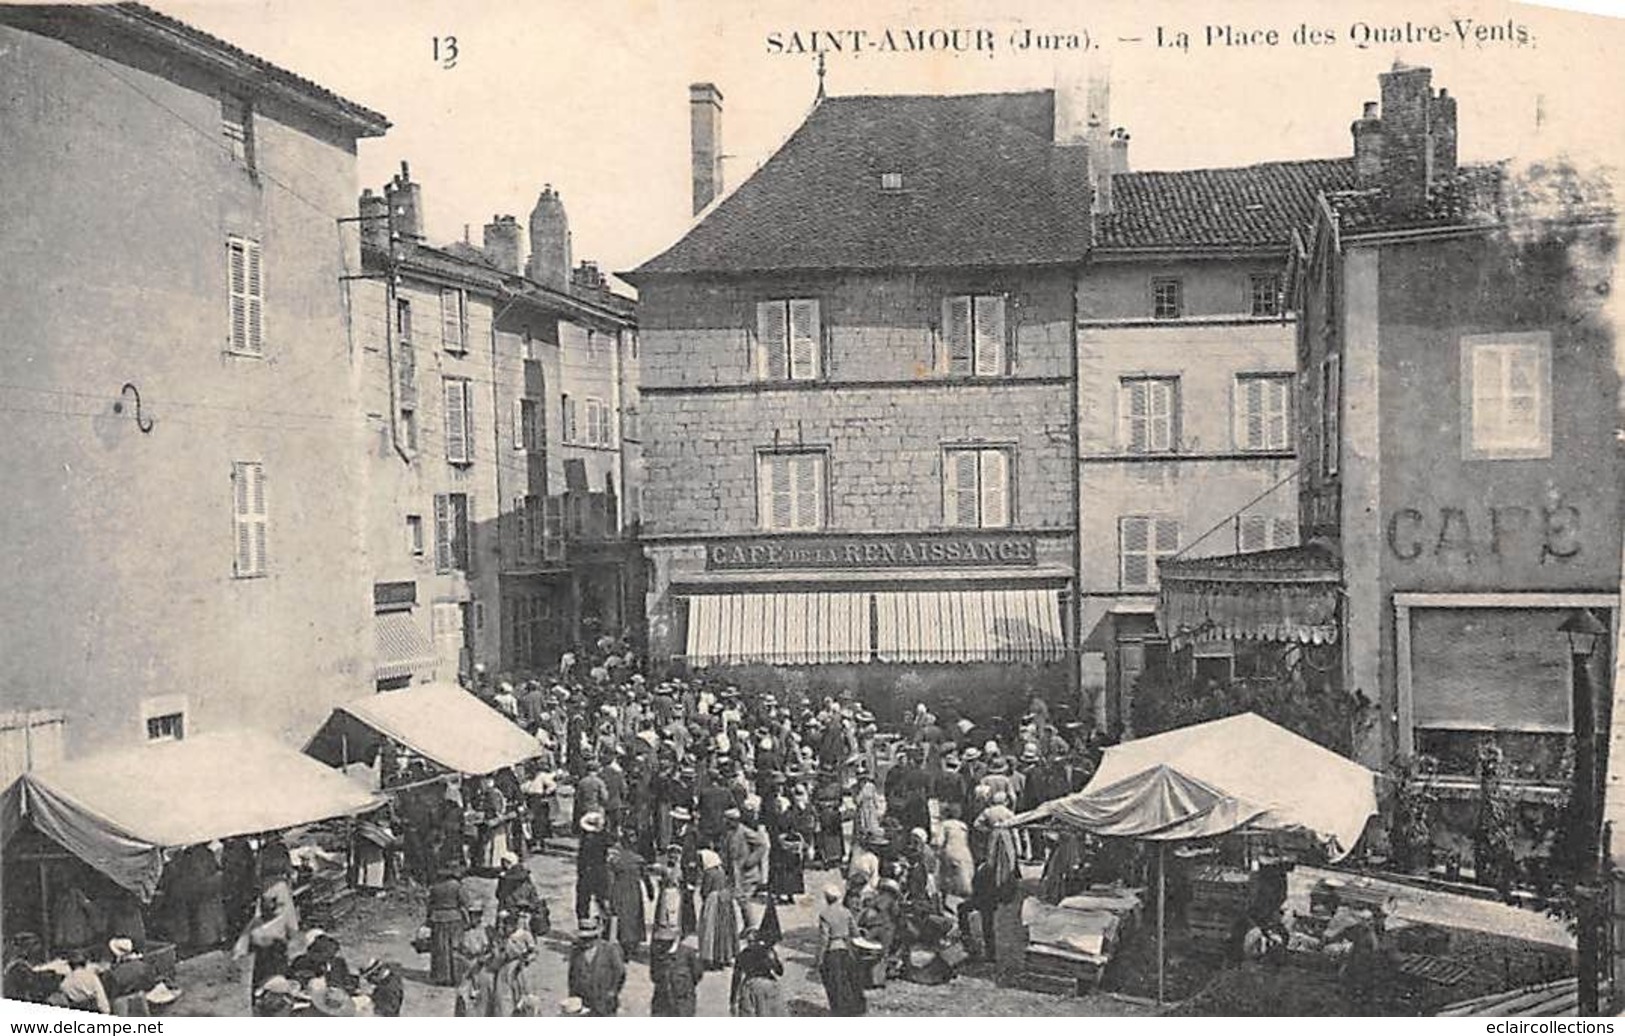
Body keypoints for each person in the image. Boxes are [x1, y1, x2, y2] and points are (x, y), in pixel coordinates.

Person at [816, 884, 866, 1017]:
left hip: (832, 950)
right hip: (845, 948)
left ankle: (840, 1011)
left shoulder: (825, 914)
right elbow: (855, 932)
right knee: (850, 980)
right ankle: (855, 1008)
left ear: (827, 898)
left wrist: (819, 959)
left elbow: (824, 939)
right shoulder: (846, 912)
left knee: (835, 983)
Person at [566, 918, 626, 1017]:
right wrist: (573, 998)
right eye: (583, 939)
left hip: (605, 1001)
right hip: (584, 1001)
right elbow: (572, 977)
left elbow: (620, 973)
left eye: (590, 938)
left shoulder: (609, 950)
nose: (587, 942)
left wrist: (613, 991)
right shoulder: (576, 953)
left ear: (596, 937)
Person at [425, 868, 474, 986]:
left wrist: (428, 919)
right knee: (455, 947)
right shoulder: (457, 886)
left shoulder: (435, 887)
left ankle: (441, 977)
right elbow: (466, 902)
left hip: (438, 918)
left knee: (440, 948)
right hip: (454, 918)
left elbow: (430, 904)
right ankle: (455, 976)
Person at [696, 847, 738, 970]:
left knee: (711, 929)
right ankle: (725, 956)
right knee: (724, 929)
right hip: (725, 899)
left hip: (713, 900)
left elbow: (705, 890)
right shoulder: (721, 870)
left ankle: (712, 957)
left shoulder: (709, 872)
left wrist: (704, 899)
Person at [649, 926, 705, 1016]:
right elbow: (654, 975)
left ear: (673, 941)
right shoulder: (657, 955)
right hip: (661, 1004)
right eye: (659, 941)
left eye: (663, 942)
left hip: (682, 1003)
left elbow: (697, 974)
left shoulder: (688, 954)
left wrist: (685, 986)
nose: (660, 945)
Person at [730, 927, 787, 1016]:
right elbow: (780, 972)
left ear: (746, 941)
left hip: (751, 986)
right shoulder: (768, 951)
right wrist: (774, 958)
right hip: (769, 985)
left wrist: (733, 1001)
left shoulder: (742, 955)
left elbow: (736, 979)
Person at [606, 839, 648, 957]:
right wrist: (650, 891)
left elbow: (610, 879)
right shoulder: (638, 859)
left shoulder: (615, 860)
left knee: (621, 917)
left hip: (620, 890)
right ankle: (631, 946)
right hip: (634, 891)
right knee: (633, 917)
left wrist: (608, 895)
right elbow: (645, 877)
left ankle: (623, 945)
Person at [575, 812, 612, 922]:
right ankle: (607, 923)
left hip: (586, 872)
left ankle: (583, 921)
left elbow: (582, 859)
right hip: (600, 870)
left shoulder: (585, 840)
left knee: (583, 899)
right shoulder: (603, 837)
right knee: (602, 898)